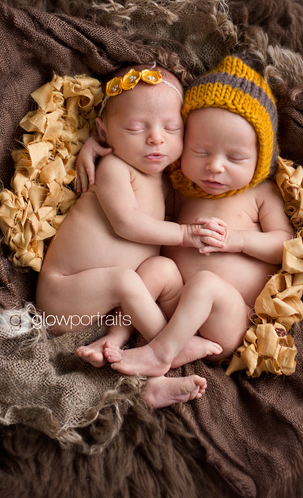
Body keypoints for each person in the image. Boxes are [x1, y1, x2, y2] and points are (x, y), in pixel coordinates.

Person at [78, 55, 295, 378]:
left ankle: (161, 354)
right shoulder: (179, 186)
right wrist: (99, 143)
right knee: (156, 269)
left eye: (235, 157)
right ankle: (118, 336)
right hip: (171, 309)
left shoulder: (261, 193)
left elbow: (286, 245)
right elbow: (139, 158)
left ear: (262, 158)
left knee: (206, 284)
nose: (215, 167)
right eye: (200, 152)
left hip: (229, 320)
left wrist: (238, 241)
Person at [35, 64, 223, 407]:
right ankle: (170, 347)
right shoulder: (114, 168)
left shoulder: (166, 180)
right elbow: (128, 224)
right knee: (124, 280)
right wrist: (184, 233)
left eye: (171, 127)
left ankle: (145, 375)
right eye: (136, 128)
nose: (156, 138)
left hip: (112, 310)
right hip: (62, 300)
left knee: (163, 270)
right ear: (104, 133)